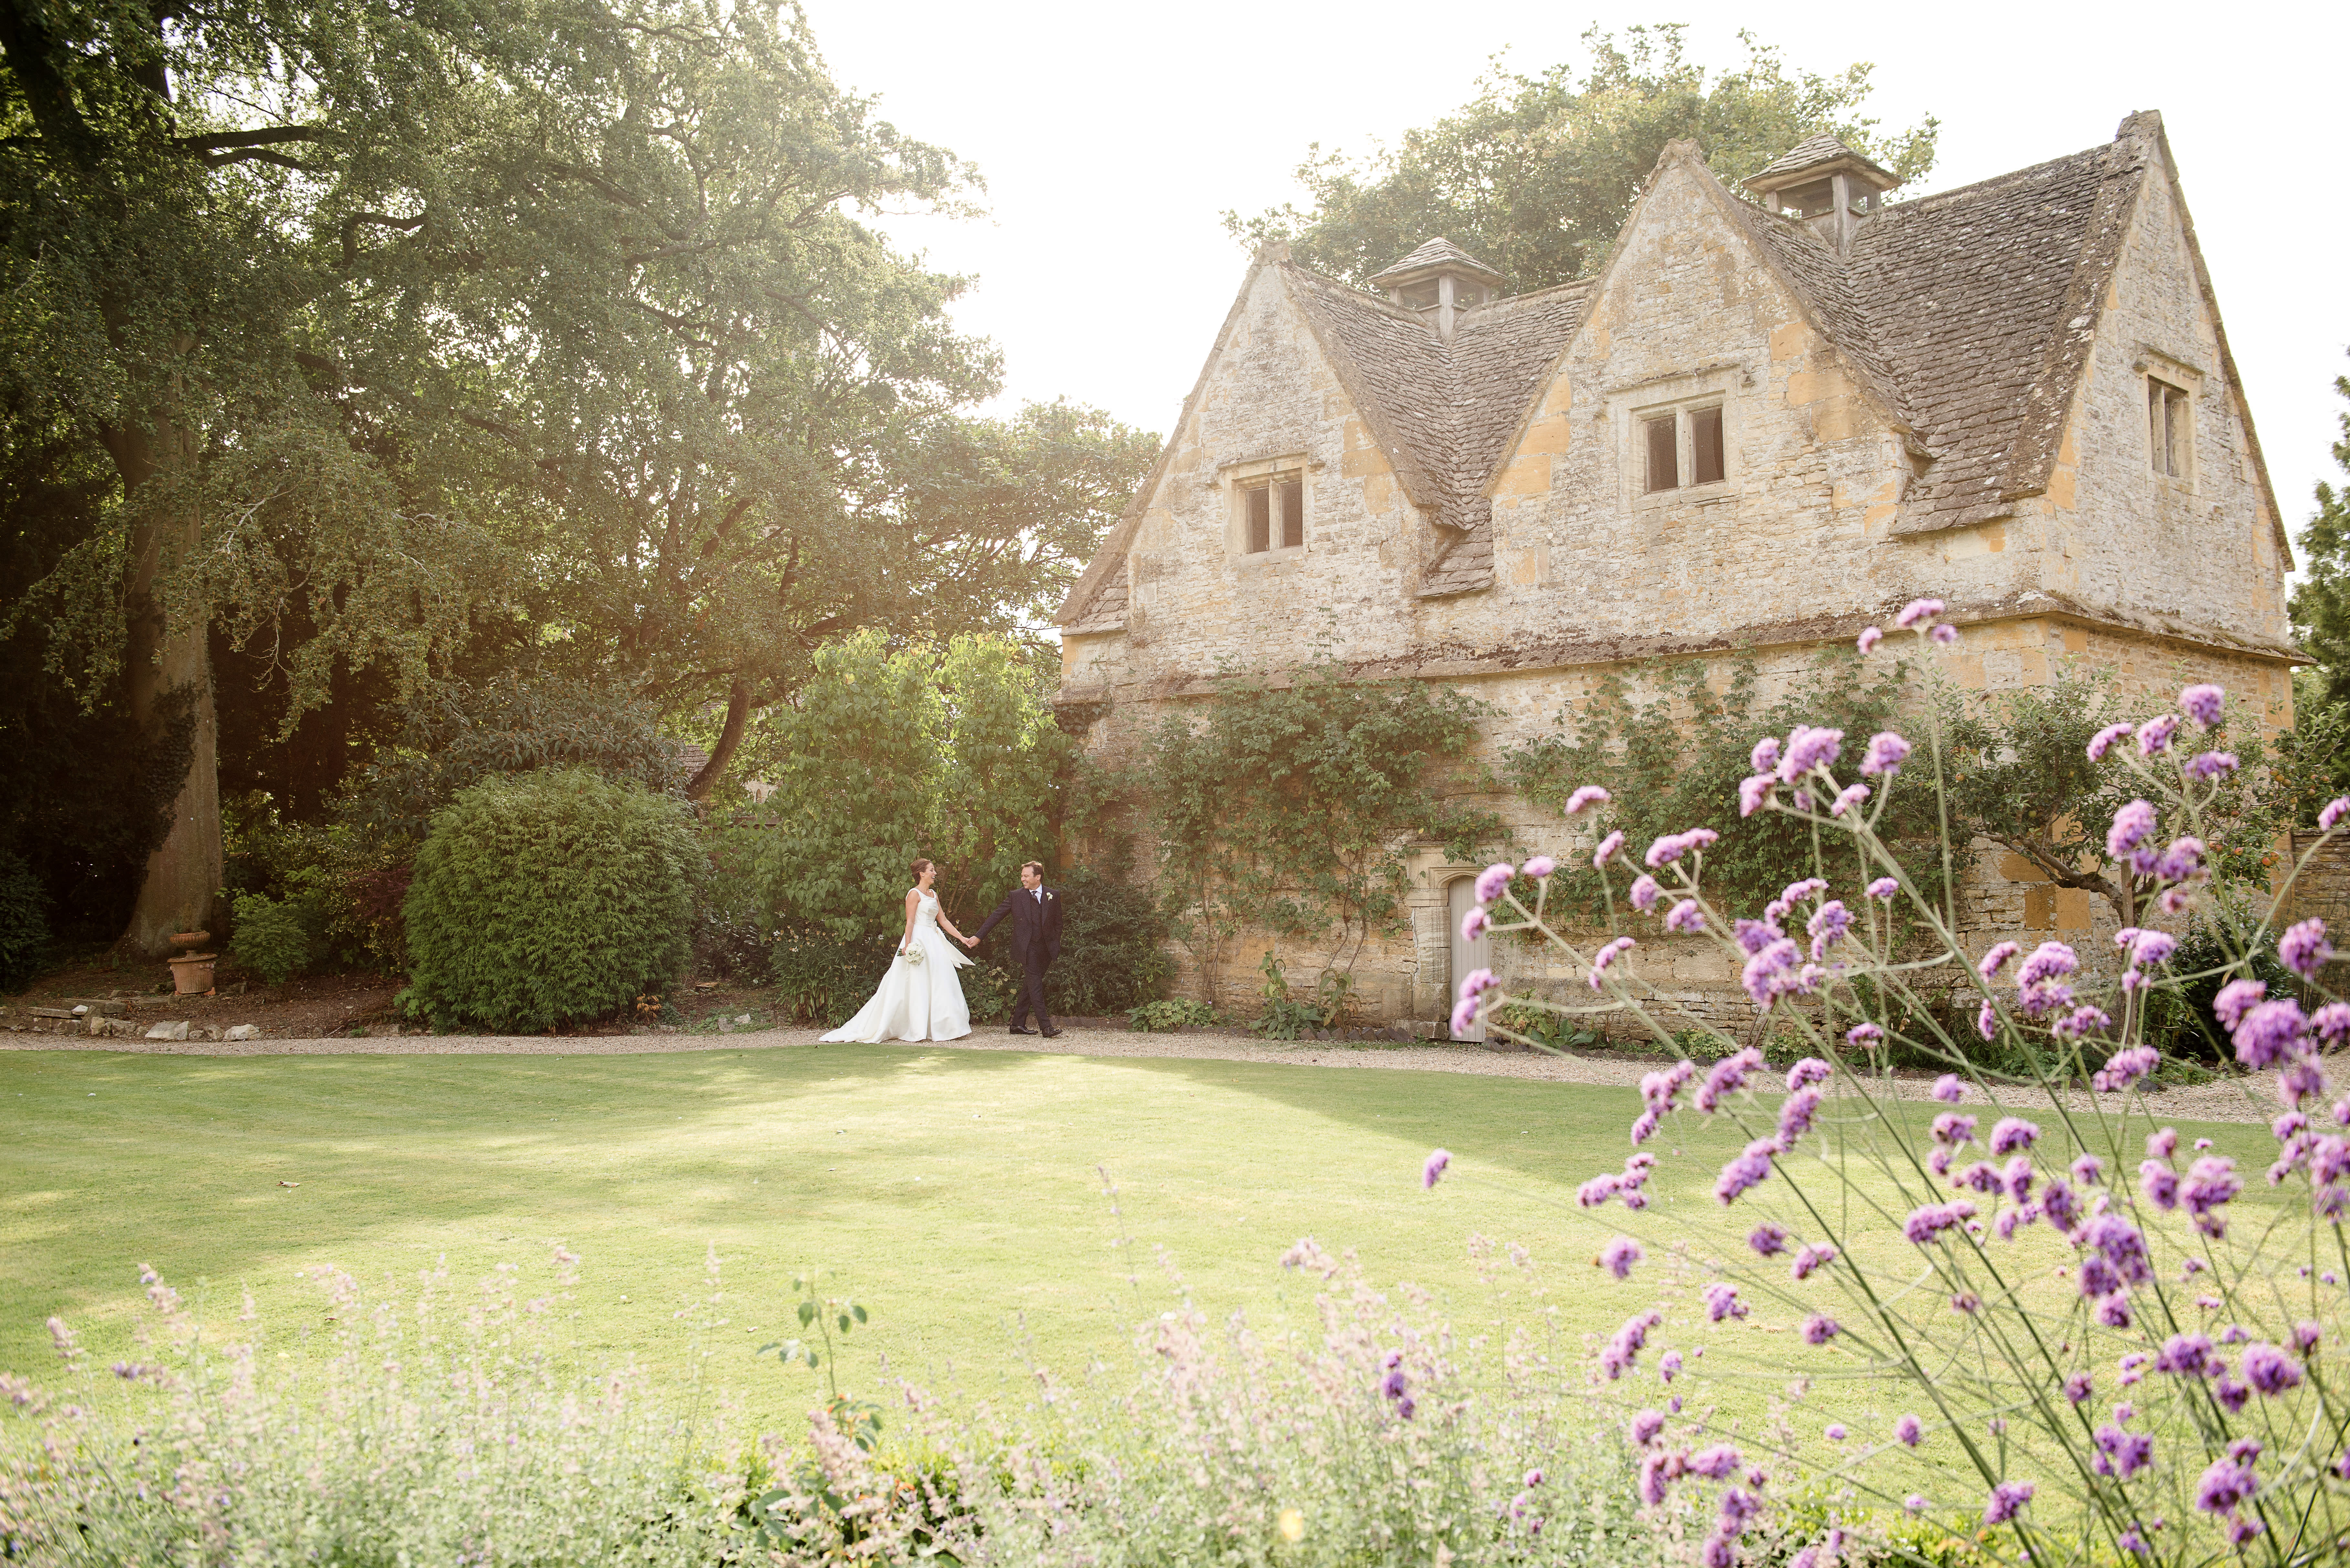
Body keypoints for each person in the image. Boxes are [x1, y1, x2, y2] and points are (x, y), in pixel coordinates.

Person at [822, 859, 976, 1043]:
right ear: (922, 874)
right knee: (916, 982)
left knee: (942, 979)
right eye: (932, 870)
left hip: (934, 942)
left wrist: (962, 938)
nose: (935, 873)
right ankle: (915, 1026)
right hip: (919, 940)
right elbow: (910, 921)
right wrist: (909, 946)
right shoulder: (914, 894)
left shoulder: (934, 895)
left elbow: (943, 920)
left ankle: (946, 1027)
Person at [967, 860, 1062, 1037]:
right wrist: (979, 936)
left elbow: (1059, 923)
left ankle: (1017, 1024)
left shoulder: (1053, 895)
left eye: (1026, 876)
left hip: (1047, 950)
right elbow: (996, 916)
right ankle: (1046, 1027)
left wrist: (1055, 942)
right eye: (1022, 876)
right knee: (1036, 986)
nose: (1023, 879)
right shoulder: (1016, 896)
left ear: (1038, 877)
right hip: (1028, 949)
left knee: (1030, 985)